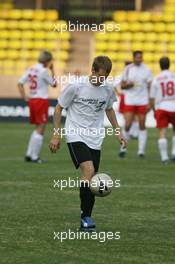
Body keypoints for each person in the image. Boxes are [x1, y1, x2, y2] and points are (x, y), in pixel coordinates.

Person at [49, 56, 127, 231]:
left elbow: (109, 109)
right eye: (99, 76)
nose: (102, 81)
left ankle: (87, 217)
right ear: (92, 70)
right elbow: (59, 107)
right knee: (89, 170)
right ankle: (85, 218)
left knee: (92, 179)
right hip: (75, 134)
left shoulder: (107, 89)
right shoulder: (76, 86)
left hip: (96, 138)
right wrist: (56, 134)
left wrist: (118, 132)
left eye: (105, 77)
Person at [18, 50, 57, 163]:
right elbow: (54, 84)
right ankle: (35, 156)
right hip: (41, 100)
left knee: (37, 128)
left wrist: (24, 96)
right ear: (47, 61)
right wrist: (52, 70)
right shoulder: (44, 71)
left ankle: (29, 154)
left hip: (33, 100)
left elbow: (20, 83)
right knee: (41, 128)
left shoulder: (31, 68)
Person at [120, 50, 152, 158]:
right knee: (128, 124)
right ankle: (123, 148)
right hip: (130, 100)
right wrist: (129, 85)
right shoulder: (128, 69)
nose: (140, 59)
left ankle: (141, 151)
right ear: (134, 58)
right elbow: (122, 86)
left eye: (141, 57)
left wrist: (149, 101)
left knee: (142, 125)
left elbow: (149, 86)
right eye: (138, 57)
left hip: (142, 101)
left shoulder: (147, 69)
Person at [150, 56, 175, 164]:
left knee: (162, 133)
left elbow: (151, 98)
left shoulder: (156, 78)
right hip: (174, 106)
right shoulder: (174, 77)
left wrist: (154, 110)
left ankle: (164, 158)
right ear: (169, 64)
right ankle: (174, 154)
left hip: (162, 107)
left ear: (160, 65)